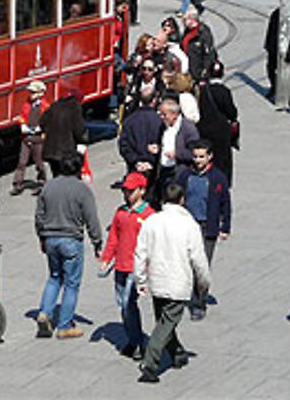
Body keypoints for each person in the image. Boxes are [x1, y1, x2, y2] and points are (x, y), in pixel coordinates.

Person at [133, 183, 211, 384]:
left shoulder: (151, 221)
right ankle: (149, 364)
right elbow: (198, 259)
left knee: (164, 320)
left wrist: (140, 279)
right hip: (178, 281)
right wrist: (204, 283)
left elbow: (140, 253)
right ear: (182, 200)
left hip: (157, 280)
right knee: (166, 324)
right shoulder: (189, 225)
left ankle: (177, 354)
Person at [34, 154, 103, 340]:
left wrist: (42, 236)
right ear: (79, 169)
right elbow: (92, 219)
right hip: (71, 240)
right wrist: (98, 243)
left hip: (50, 239)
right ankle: (64, 326)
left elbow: (39, 216)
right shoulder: (82, 190)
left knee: (54, 277)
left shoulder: (48, 187)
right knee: (71, 284)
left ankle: (45, 313)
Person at [99, 172, 154, 359]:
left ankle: (137, 342)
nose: (126, 194)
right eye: (125, 190)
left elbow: (153, 244)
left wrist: (148, 268)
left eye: (131, 190)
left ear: (142, 190)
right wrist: (106, 258)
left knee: (128, 304)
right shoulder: (121, 212)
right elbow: (113, 237)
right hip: (120, 265)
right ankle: (133, 339)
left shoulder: (148, 215)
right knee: (123, 304)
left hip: (136, 267)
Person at [174, 142, 230, 321]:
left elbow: (225, 203)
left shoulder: (217, 178)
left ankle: (199, 303)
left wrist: (225, 226)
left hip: (208, 227)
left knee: (202, 266)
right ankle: (185, 295)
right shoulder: (185, 176)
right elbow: (176, 196)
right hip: (187, 226)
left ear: (209, 157)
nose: (198, 160)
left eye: (201, 156)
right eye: (195, 156)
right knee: (186, 264)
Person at [197, 61, 239, 187]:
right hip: (221, 130)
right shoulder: (224, 91)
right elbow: (232, 112)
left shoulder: (203, 91)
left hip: (205, 129)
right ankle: (221, 182)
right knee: (222, 158)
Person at [153, 97, 199, 204]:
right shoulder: (164, 127)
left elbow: (194, 153)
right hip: (164, 170)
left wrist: (177, 154)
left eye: (164, 114)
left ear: (174, 114)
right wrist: (158, 149)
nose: (161, 117)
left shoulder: (188, 128)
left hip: (179, 172)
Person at [117, 85, 162, 184]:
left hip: (134, 169)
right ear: (154, 100)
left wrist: (136, 161)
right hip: (154, 171)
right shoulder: (160, 121)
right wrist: (151, 161)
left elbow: (123, 145)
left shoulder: (129, 121)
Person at [12, 81, 49, 195]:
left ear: (40, 93)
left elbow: (48, 121)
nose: (30, 94)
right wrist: (22, 124)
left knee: (39, 163)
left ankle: (41, 182)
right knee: (22, 162)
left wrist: (41, 128)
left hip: (38, 139)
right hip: (26, 138)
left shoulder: (45, 107)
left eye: (33, 92)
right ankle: (17, 184)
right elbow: (22, 116)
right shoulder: (27, 104)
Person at [40, 88, 87, 178]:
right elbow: (79, 129)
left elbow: (42, 122)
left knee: (56, 175)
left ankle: (57, 190)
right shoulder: (75, 107)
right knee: (70, 177)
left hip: (50, 150)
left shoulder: (54, 105)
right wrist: (82, 142)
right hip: (66, 151)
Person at [265, 7, 290, 101]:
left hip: (287, 48)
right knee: (271, 69)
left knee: (285, 71)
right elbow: (270, 29)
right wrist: (267, 45)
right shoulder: (276, 13)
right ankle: (274, 87)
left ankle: (284, 93)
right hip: (273, 46)